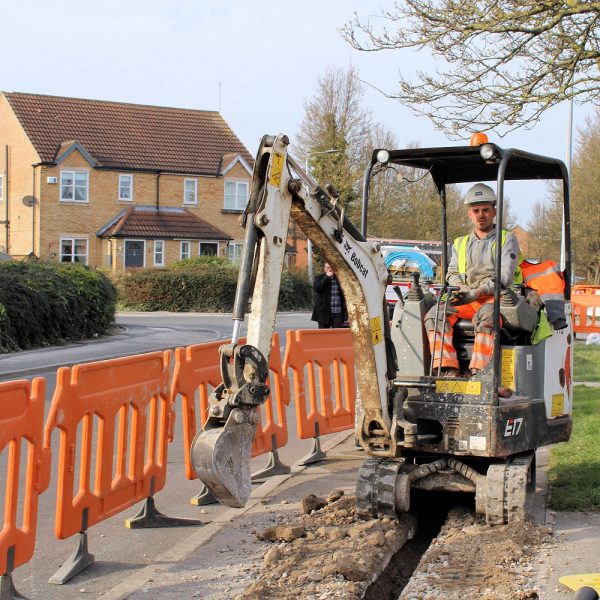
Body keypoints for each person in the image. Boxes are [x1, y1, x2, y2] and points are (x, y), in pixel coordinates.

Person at [425, 183, 521, 387]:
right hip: (465, 298)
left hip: (494, 299)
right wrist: (461, 288)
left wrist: (477, 292)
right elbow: (451, 273)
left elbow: (504, 277)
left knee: (487, 316)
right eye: (476, 210)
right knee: (435, 314)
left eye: (485, 209)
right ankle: (448, 369)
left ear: (494, 211)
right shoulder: (460, 243)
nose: (481, 215)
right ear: (469, 213)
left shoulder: (507, 239)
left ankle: (481, 374)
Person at [311, 262, 347, 328]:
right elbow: (317, 288)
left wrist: (346, 315)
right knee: (324, 335)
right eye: (327, 268)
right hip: (323, 312)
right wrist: (327, 277)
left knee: (338, 335)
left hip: (337, 312)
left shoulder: (340, 279)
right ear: (324, 269)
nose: (330, 269)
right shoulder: (320, 277)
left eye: (331, 267)